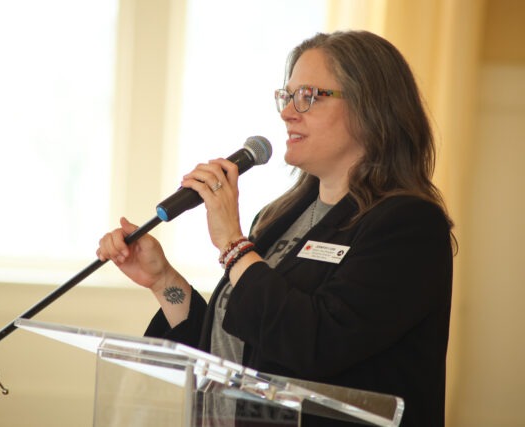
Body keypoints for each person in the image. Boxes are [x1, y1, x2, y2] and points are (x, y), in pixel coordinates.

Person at [97, 30, 455, 427]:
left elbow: (314, 344)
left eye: (309, 96)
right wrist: (163, 280)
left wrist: (233, 245)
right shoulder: (279, 217)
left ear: (372, 108)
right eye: (286, 96)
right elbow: (234, 349)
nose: (287, 112)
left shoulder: (407, 226)